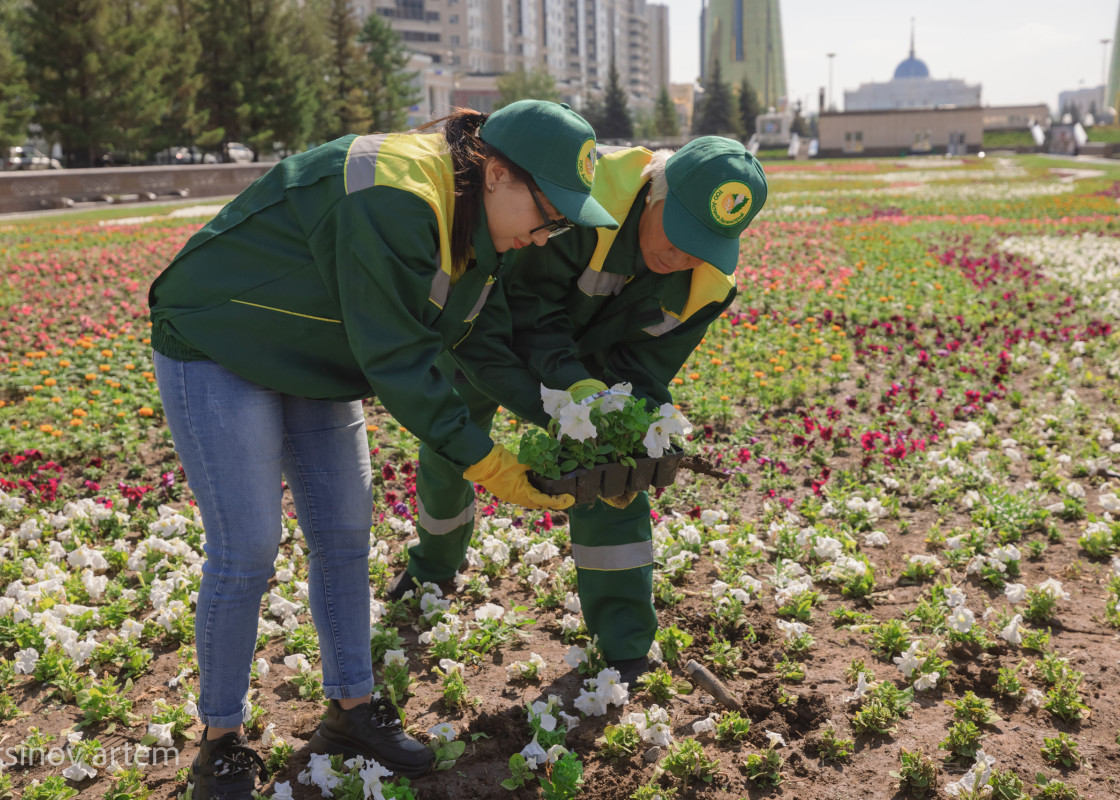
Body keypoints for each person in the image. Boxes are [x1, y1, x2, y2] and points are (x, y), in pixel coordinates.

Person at [147, 99, 618, 800]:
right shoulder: (396, 197)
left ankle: (351, 710)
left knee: (343, 536)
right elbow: (401, 359)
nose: (549, 235)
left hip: (315, 354)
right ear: (496, 175)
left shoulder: (480, 230)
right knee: (247, 546)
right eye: (548, 214)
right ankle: (219, 741)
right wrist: (491, 467)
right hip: (221, 341)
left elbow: (475, 342)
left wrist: (568, 423)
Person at [388, 136, 767, 685]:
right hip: (489, 334)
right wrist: (576, 386)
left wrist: (647, 423)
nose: (681, 256)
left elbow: (648, 368)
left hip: (587, 367)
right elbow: (529, 310)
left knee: (617, 472)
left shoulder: (703, 287)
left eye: (703, 245)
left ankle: (626, 646)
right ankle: (431, 569)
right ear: (654, 191)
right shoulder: (586, 205)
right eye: (679, 233)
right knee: (454, 443)